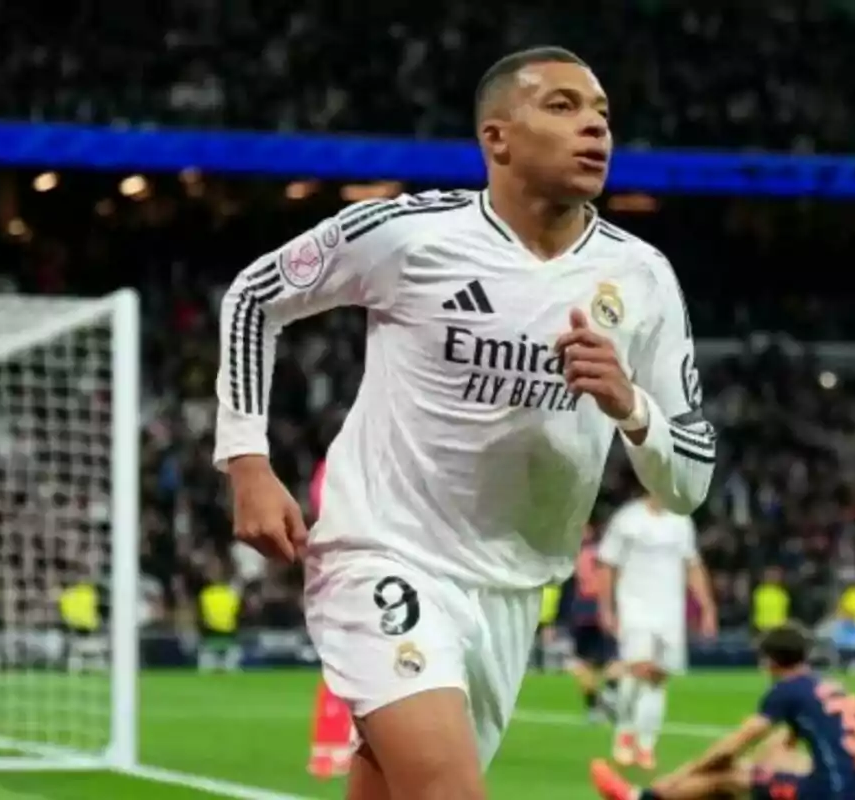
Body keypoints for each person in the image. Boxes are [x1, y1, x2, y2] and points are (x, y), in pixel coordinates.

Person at [214, 45, 716, 800]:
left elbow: (690, 484)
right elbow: (256, 296)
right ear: (497, 139)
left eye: (602, 115)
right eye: (563, 106)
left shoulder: (642, 278)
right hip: (384, 550)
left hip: (512, 587)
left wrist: (630, 406)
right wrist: (247, 462)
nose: (595, 130)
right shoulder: (409, 234)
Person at [590, 623, 855, 800]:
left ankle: (640, 798)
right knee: (766, 766)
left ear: (770, 662)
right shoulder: (825, 686)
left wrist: (683, 774)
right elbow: (781, 744)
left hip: (833, 794)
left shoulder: (786, 690)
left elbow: (729, 750)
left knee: (727, 777)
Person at [598, 493, 718, 769]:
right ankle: (625, 731)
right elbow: (607, 564)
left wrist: (707, 607)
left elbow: (692, 564)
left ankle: (646, 745)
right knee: (638, 668)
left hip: (669, 610)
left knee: (658, 677)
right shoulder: (627, 518)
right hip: (634, 605)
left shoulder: (681, 521)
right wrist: (606, 608)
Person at [568, 524, 621, 722]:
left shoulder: (576, 554)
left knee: (583, 662)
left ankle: (593, 708)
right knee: (616, 657)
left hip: (581, 609)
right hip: (601, 606)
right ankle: (608, 694)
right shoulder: (604, 554)